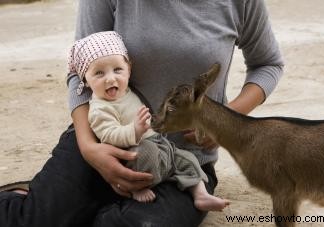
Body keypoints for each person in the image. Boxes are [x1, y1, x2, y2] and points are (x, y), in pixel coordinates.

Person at [0, 0, 284, 226]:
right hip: (101, 142)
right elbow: (79, 74)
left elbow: (268, 64)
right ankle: (29, 198)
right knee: (34, 220)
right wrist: (88, 148)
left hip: (180, 162)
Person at [68, 30, 228, 210]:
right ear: (86, 81)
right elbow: (108, 134)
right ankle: (137, 189)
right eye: (99, 73)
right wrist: (134, 130)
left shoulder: (126, 91)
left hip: (160, 144)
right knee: (145, 154)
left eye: (117, 70)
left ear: (129, 69)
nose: (110, 78)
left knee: (187, 159)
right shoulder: (99, 108)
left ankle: (200, 194)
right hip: (135, 151)